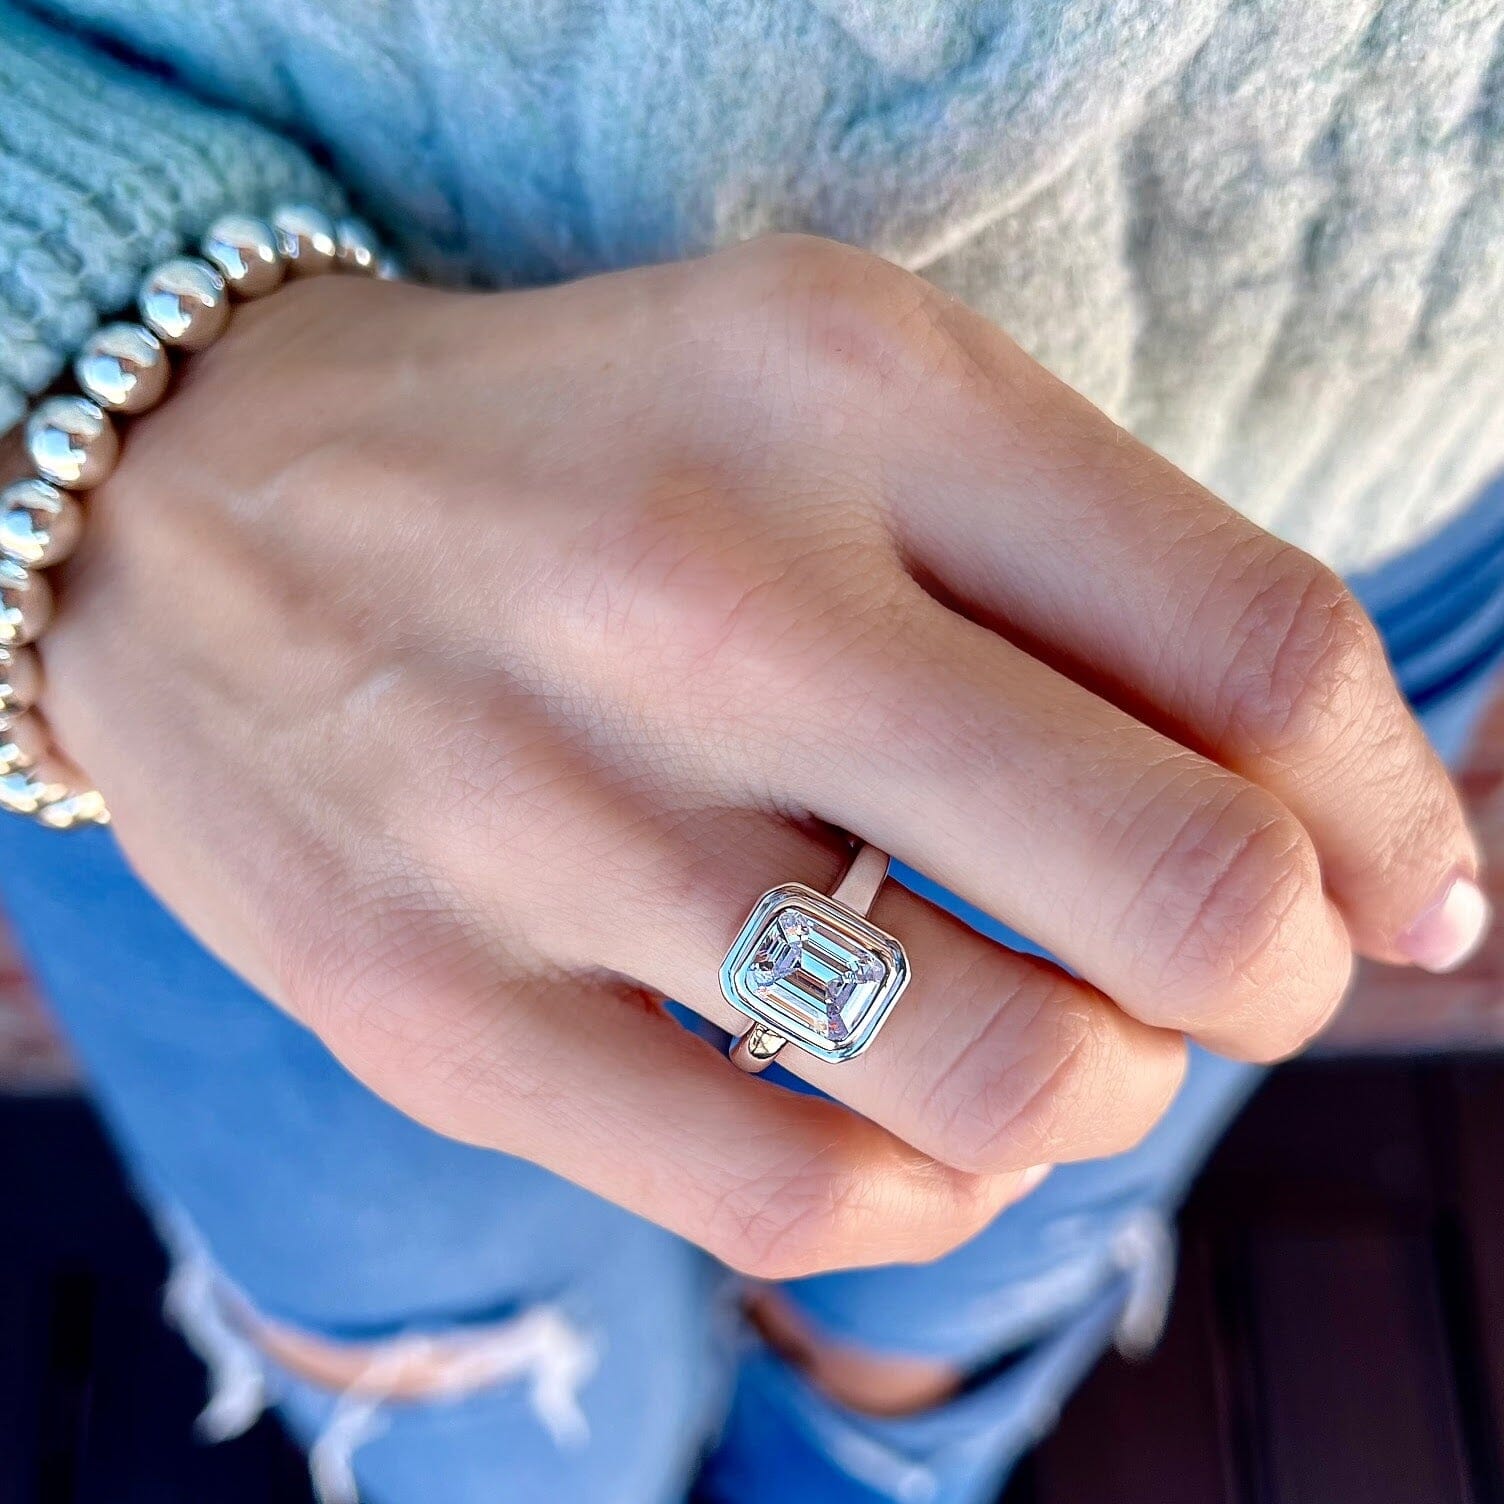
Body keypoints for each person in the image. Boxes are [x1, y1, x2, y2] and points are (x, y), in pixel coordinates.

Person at [2, 3, 1502, 1501]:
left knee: (969, 1260)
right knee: (463, 1385)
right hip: (263, 610)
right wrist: (88, 367)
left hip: (1310, 553)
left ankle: (881, 1457)